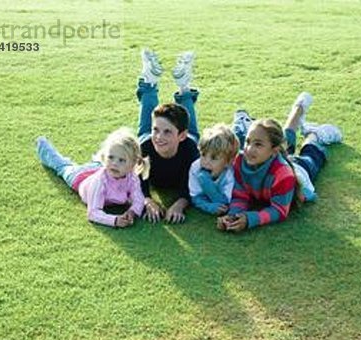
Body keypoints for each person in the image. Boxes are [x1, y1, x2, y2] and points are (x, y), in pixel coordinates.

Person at [218, 93, 343, 232]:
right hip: (277, 158)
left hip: (299, 171)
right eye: (247, 142)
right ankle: (299, 108)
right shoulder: (240, 161)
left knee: (311, 153)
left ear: (274, 150)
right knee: (285, 138)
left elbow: (279, 210)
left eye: (258, 144)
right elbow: (240, 195)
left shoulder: (284, 175)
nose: (249, 149)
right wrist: (233, 216)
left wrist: (250, 219)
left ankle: (315, 134)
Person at [36, 128, 148, 228]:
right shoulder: (99, 181)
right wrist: (115, 220)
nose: (114, 163)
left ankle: (98, 160)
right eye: (111, 157)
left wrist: (132, 212)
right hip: (80, 176)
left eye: (121, 160)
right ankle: (42, 145)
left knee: (99, 164)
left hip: (99, 167)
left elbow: (139, 198)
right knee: (62, 166)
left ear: (133, 164)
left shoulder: (132, 177)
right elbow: (93, 213)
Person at [137, 49, 200, 223]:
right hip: (144, 140)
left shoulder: (190, 149)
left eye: (167, 132)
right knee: (145, 132)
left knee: (192, 130)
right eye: (156, 130)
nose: (159, 137)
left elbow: (193, 183)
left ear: (180, 136)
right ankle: (149, 79)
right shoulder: (146, 147)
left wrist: (180, 203)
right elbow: (138, 180)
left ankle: (184, 86)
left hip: (189, 139)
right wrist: (147, 200)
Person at [188, 124, 239, 215]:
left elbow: (224, 201)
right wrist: (209, 207)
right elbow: (195, 196)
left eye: (214, 158)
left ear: (227, 162)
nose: (206, 162)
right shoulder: (195, 168)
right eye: (203, 154)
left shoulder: (229, 174)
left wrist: (207, 184)